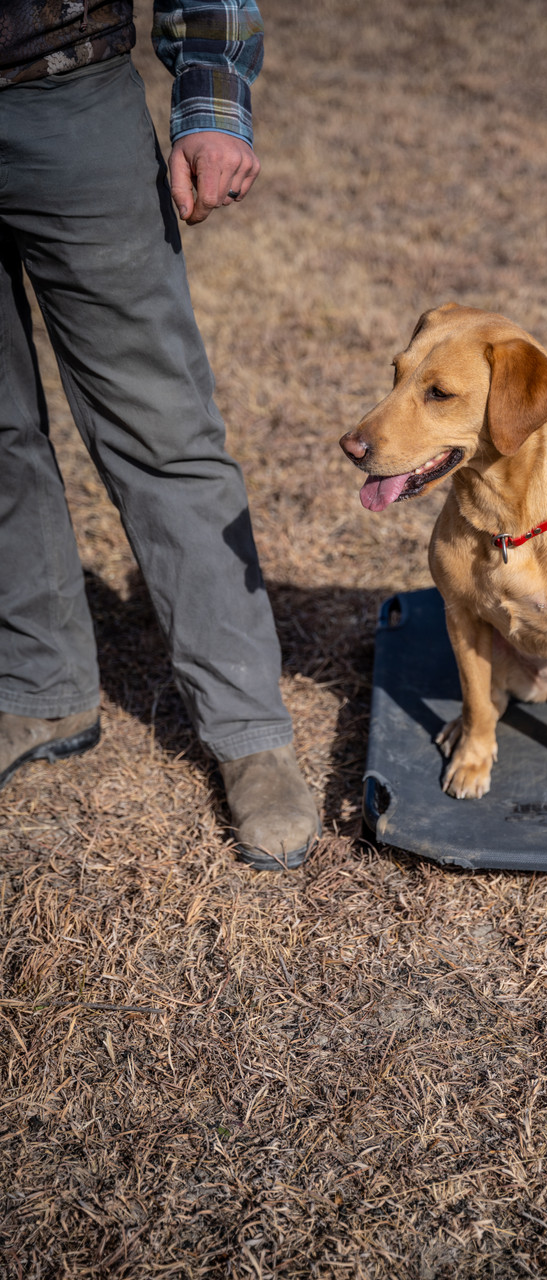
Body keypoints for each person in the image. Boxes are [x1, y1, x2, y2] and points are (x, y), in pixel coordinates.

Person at [0, 0, 321, 870]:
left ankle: (249, 732)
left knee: (160, 429)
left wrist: (211, 104)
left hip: (60, 90)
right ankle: (40, 687)